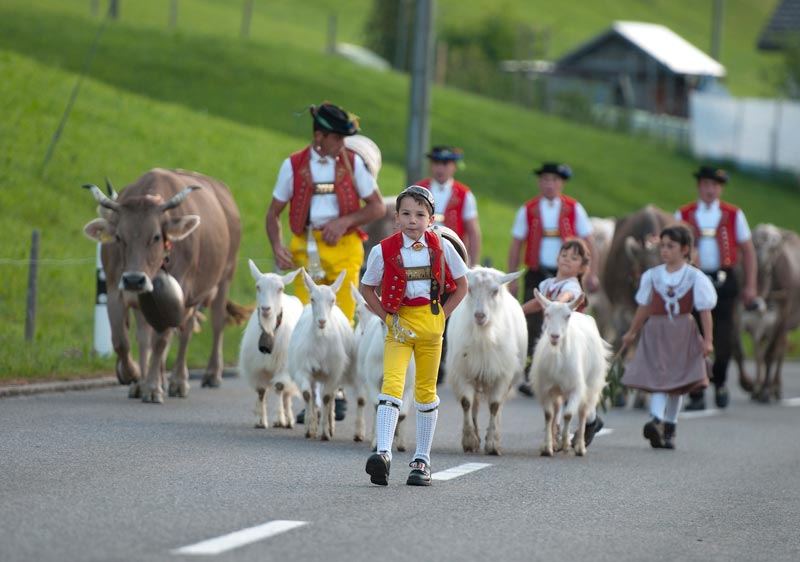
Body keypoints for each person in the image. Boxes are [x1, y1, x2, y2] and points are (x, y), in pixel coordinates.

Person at [360, 185, 468, 486]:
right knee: (392, 383)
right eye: (406, 214)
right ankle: (383, 453)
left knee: (424, 391)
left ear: (431, 220)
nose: (412, 220)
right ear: (396, 218)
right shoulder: (383, 250)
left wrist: (442, 316)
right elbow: (367, 287)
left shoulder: (443, 247)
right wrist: (385, 317)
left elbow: (462, 285)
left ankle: (422, 459)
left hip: (431, 324)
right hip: (399, 322)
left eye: (420, 215)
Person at [265, 101, 386, 324]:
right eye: (338, 138)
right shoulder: (292, 165)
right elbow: (273, 213)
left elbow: (377, 206)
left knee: (342, 321)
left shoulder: (353, 162)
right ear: (319, 136)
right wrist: (277, 247)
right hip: (306, 247)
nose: (343, 144)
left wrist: (344, 222)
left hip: (345, 247)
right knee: (304, 320)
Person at [507, 162, 600, 396]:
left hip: (568, 276)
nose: (549, 184)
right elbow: (517, 242)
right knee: (533, 323)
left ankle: (566, 369)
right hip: (538, 272)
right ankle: (533, 371)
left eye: (554, 180)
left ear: (562, 183)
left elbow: (588, 241)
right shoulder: (528, 210)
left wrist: (592, 273)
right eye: (545, 180)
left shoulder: (573, 208)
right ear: (540, 182)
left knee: (562, 323)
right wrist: (513, 274)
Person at [620, 225, 717, 449]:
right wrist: (632, 331)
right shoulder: (652, 276)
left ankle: (669, 426)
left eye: (670, 246)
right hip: (657, 331)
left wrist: (708, 340)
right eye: (662, 246)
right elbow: (643, 307)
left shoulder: (695, 277)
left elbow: (704, 311)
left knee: (677, 382)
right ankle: (656, 420)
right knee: (659, 378)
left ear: (685, 249)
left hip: (683, 331)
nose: (664, 250)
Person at [675, 166, 756, 411]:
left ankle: (719, 381)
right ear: (699, 187)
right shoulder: (684, 213)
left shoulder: (733, 215)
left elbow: (748, 250)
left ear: (720, 189)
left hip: (724, 281)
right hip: (693, 280)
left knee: (723, 335)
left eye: (714, 185)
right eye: (705, 185)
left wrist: (751, 284)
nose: (710, 190)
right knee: (693, 335)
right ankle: (697, 389)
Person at [520, 238, 603, 447]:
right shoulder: (546, 284)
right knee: (553, 386)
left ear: (583, 267)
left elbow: (567, 297)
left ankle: (591, 420)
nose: (567, 260)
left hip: (572, 346)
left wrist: (558, 302)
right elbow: (536, 303)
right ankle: (554, 432)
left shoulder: (572, 287)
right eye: (564, 255)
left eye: (574, 258)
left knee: (575, 384)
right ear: (557, 258)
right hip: (550, 341)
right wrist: (517, 311)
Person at [415, 145, 481, 266]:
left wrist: (473, 263)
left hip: (453, 253)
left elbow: (473, 231)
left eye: (445, 164)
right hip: (421, 251)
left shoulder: (464, 194)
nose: (440, 168)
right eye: (436, 163)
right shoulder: (418, 189)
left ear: (454, 166)